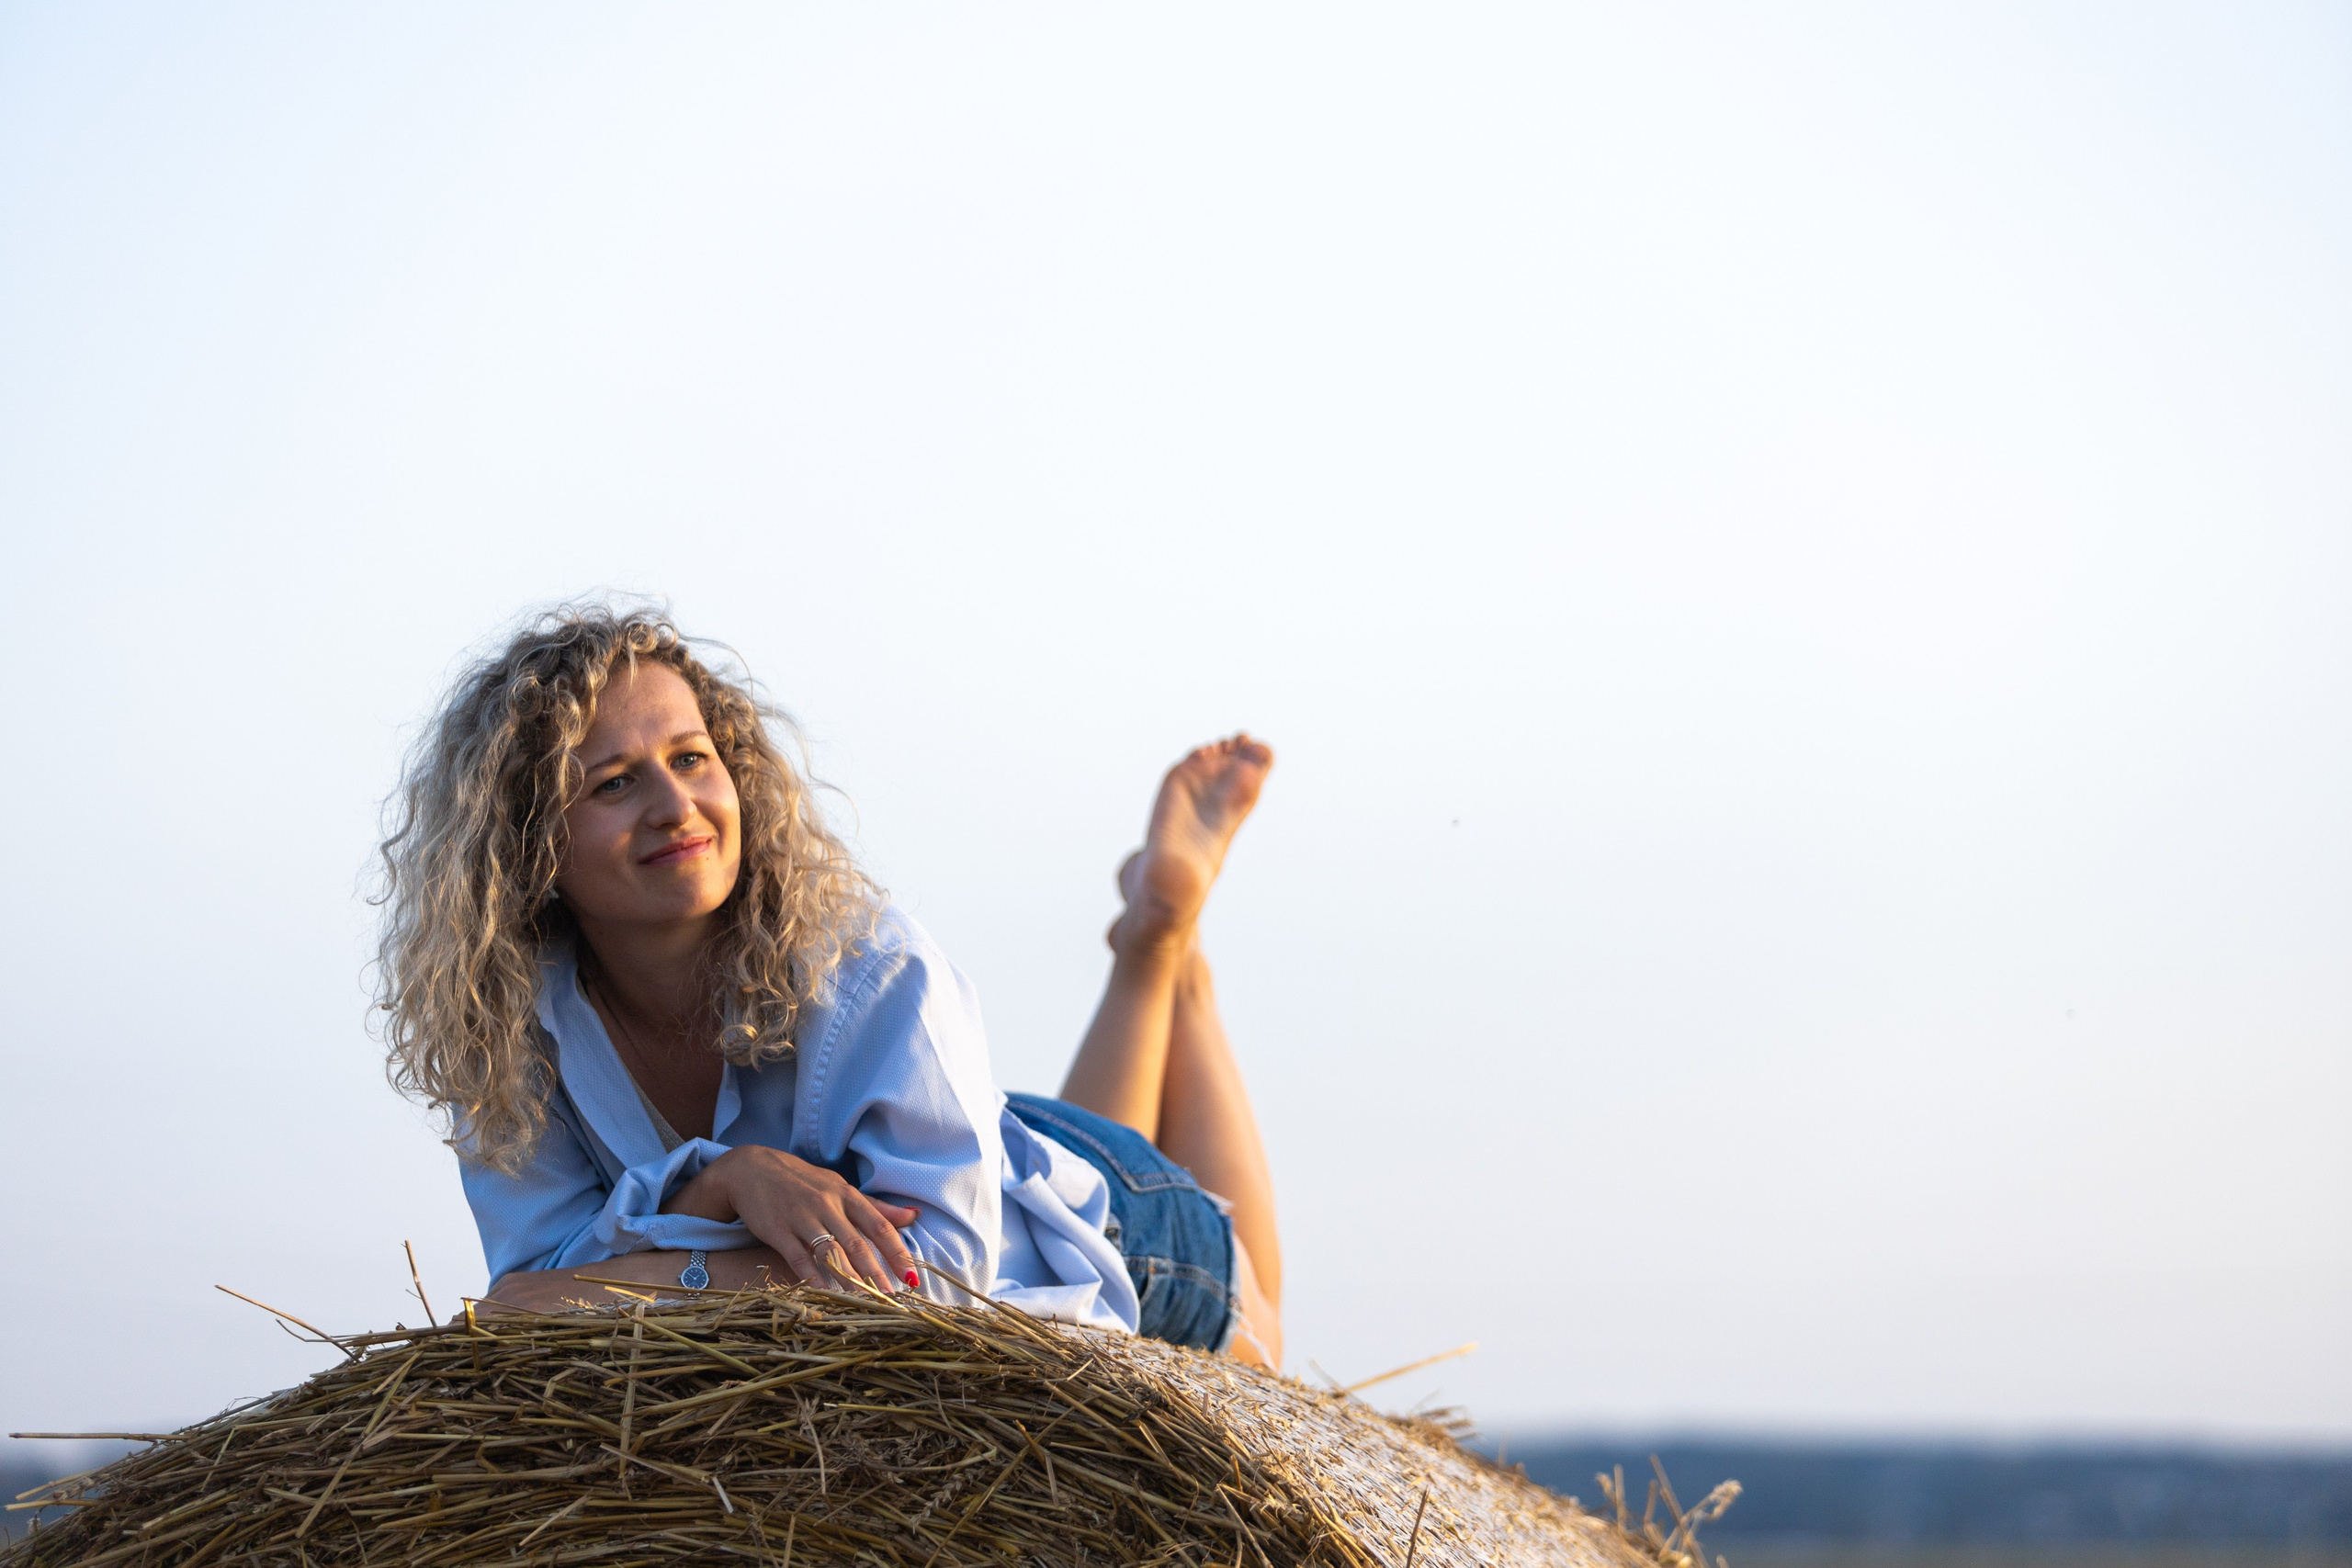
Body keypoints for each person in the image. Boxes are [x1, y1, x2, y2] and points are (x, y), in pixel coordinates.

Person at [376, 606, 1283, 1364]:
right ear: (528, 844)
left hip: (1111, 1226)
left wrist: (667, 1271)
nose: (676, 806)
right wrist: (723, 1184)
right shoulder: (506, 1029)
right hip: (975, 1151)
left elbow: (940, 1282)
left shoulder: (868, 964)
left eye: (690, 758)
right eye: (615, 783)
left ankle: (1170, 951)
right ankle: (1151, 946)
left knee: (1270, 1350)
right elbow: (539, 1290)